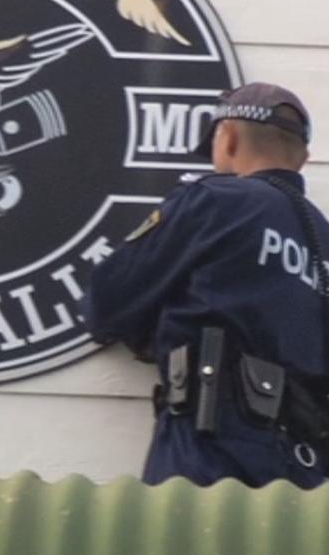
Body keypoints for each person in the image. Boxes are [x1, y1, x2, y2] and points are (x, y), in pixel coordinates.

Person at [82, 82, 329, 488]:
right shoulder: (321, 238)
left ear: (227, 138)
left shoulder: (215, 200)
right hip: (302, 474)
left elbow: (106, 304)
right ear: (302, 158)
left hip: (210, 452)